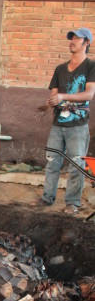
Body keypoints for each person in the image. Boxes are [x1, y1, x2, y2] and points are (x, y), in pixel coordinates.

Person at [39, 27, 95, 214]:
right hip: (58, 125)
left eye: (77, 38)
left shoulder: (91, 66)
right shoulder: (60, 69)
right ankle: (47, 198)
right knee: (52, 162)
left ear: (87, 43)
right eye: (71, 38)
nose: (72, 41)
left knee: (76, 165)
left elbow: (89, 94)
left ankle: (72, 203)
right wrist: (49, 104)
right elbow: (55, 95)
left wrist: (62, 97)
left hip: (78, 125)